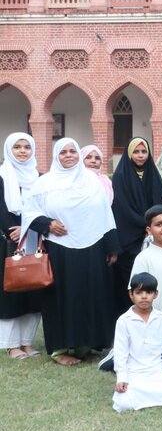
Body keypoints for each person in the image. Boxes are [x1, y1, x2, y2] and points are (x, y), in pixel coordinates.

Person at [23, 138, 120, 365]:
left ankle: (85, 345)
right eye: (63, 152)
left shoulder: (92, 181)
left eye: (73, 151)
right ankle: (60, 349)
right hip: (59, 249)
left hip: (92, 247)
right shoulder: (44, 184)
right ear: (56, 155)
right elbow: (29, 213)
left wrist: (111, 246)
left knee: (90, 296)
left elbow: (105, 214)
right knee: (61, 298)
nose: (69, 155)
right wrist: (47, 224)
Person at [111, 272, 162, 413]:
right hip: (134, 373)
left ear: (155, 294)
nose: (144, 296)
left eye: (148, 292)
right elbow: (120, 351)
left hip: (157, 371)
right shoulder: (124, 321)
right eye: (139, 292)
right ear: (131, 295)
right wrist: (122, 377)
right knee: (124, 404)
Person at [110, 137, 162, 312]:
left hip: (153, 234)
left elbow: (160, 202)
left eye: (144, 152)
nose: (140, 155)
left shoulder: (153, 174)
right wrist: (146, 225)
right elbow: (123, 208)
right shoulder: (120, 176)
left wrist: (154, 227)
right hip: (130, 239)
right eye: (136, 152)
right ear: (129, 154)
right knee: (130, 281)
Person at [0, 132, 41, 358]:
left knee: (33, 289)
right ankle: (11, 344)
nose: (23, 151)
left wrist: (29, 227)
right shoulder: (2, 176)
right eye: (17, 147)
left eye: (27, 147)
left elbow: (44, 206)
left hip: (35, 239)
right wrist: (12, 229)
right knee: (12, 291)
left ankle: (27, 342)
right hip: (9, 241)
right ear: (9, 150)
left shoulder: (38, 177)